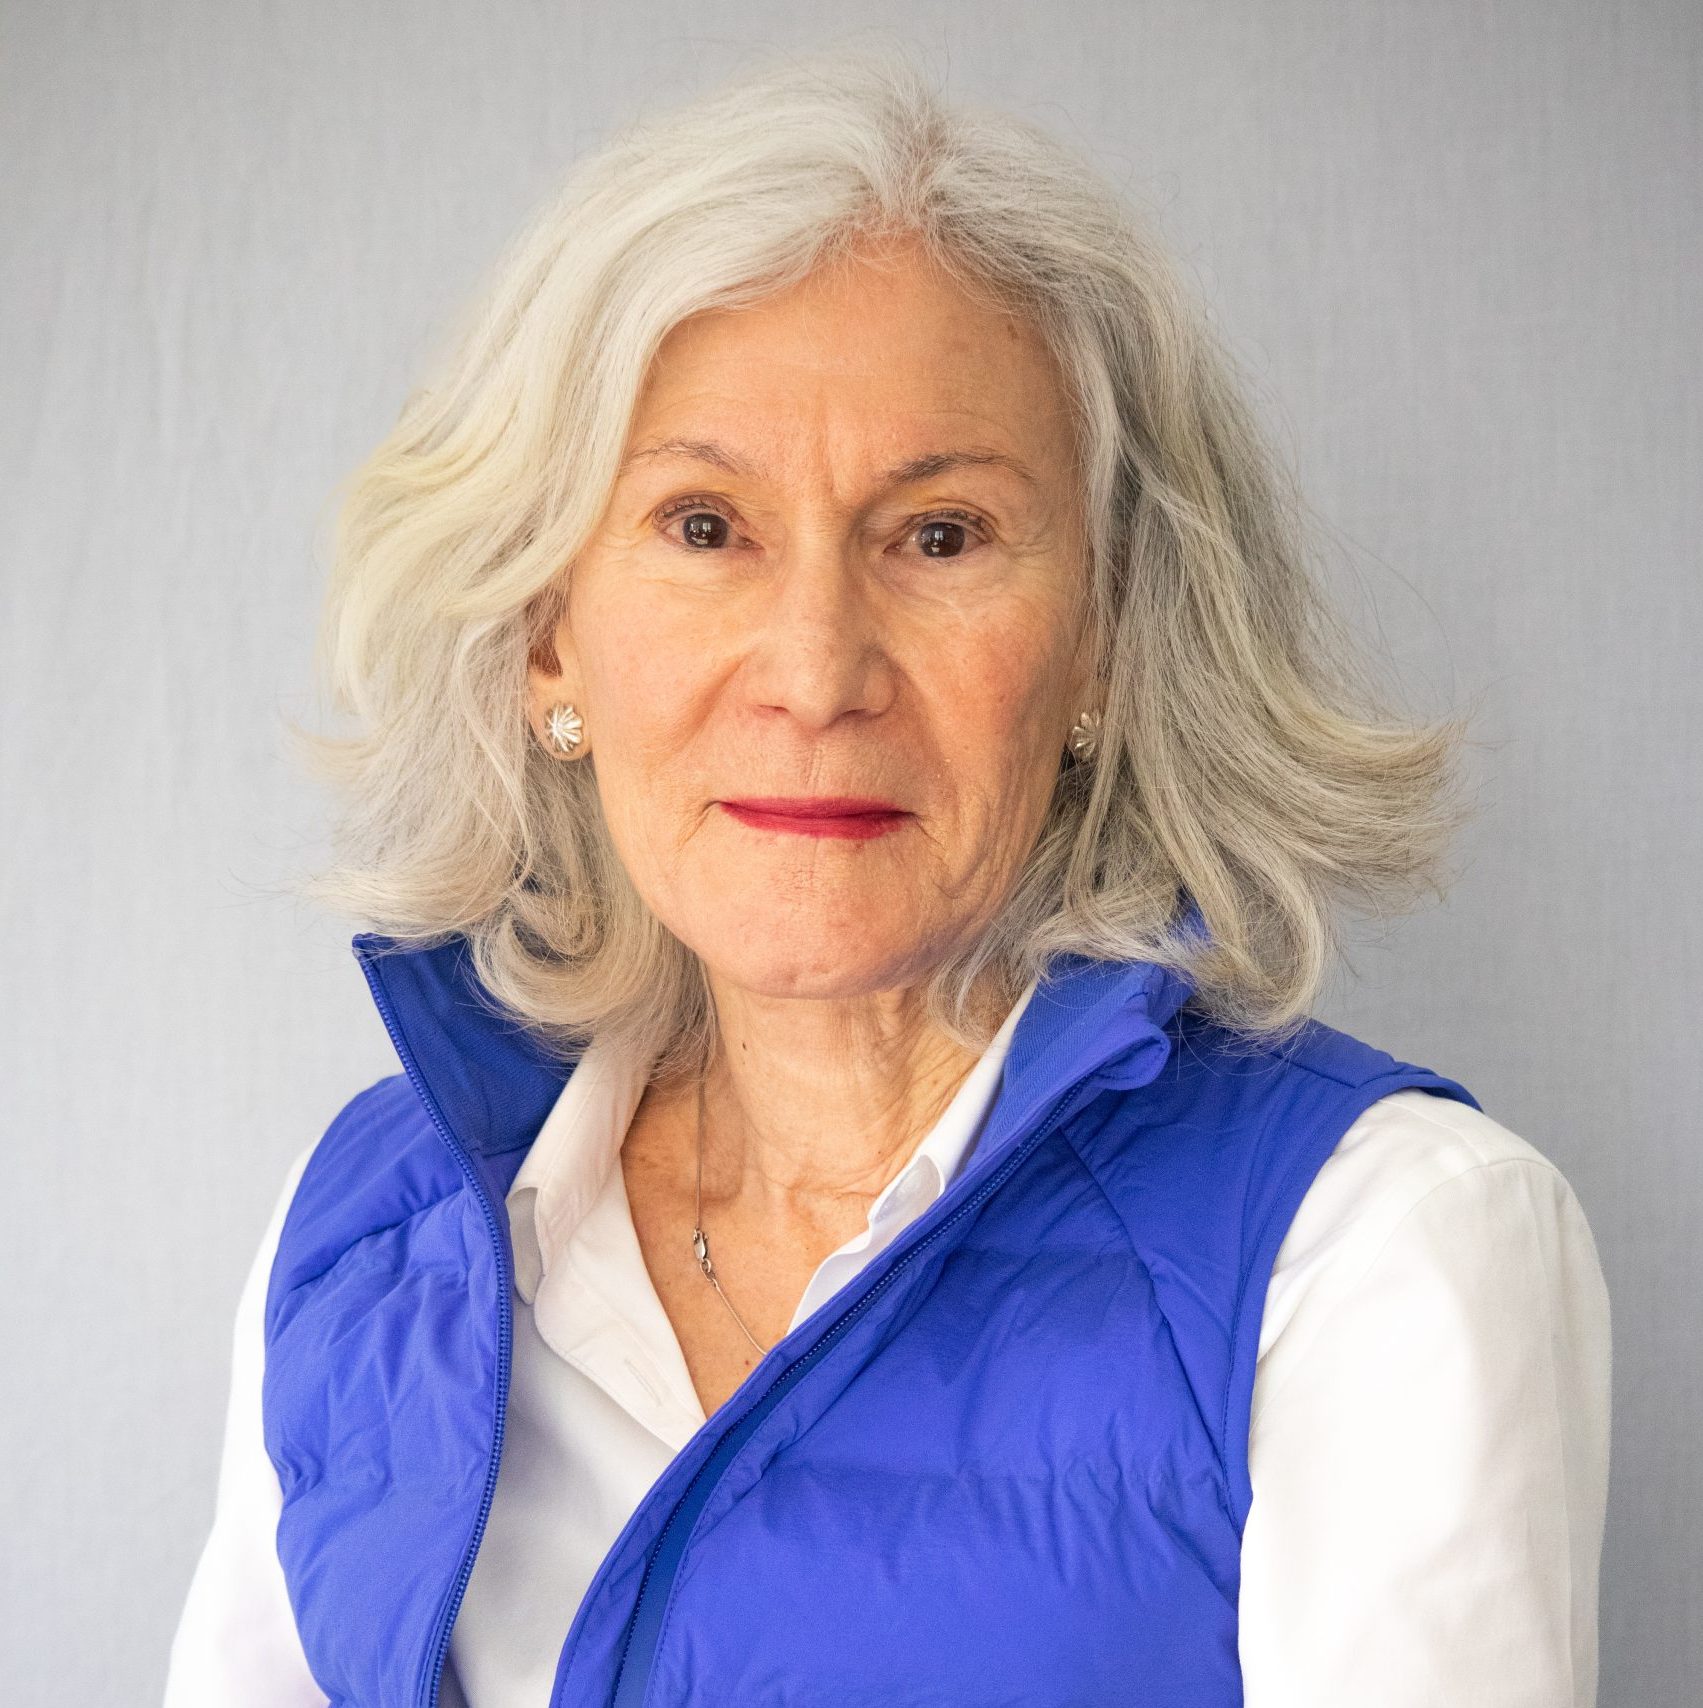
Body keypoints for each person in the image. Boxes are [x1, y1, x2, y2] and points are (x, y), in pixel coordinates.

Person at [163, 45, 1611, 1708]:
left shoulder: (1380, 1249)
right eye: (705, 527)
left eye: (939, 537)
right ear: (549, 633)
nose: (815, 668)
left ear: (1107, 649)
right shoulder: (364, 1226)